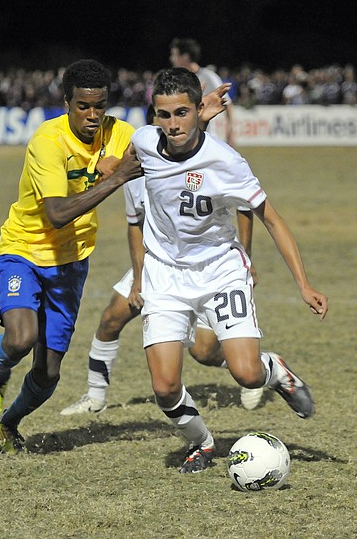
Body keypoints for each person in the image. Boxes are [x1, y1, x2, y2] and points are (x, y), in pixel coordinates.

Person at [134, 67, 328, 473]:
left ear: (197, 109)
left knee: (247, 374)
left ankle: (275, 371)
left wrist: (304, 284)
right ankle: (202, 443)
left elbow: (272, 220)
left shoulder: (226, 162)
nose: (172, 124)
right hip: (165, 275)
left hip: (221, 270)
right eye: (164, 115)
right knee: (165, 387)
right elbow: (121, 166)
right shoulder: (144, 143)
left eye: (182, 113)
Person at [60, 86, 266, 416]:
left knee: (203, 350)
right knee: (112, 317)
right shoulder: (135, 171)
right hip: (159, 261)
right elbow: (135, 225)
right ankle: (95, 397)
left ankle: (262, 368)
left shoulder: (204, 159)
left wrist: (246, 256)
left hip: (207, 262)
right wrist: (139, 279)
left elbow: (242, 206)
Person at [0, 59, 142, 453]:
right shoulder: (47, 142)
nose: (92, 115)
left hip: (71, 261)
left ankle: (9, 421)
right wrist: (116, 177)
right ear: (67, 102)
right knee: (20, 338)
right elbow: (57, 213)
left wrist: (199, 117)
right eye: (83, 106)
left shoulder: (120, 133)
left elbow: (167, 144)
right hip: (24, 250)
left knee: (48, 374)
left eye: (99, 106)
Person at [169, 37, 235, 146]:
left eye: (174, 55)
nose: (171, 59)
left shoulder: (207, 76)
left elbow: (227, 103)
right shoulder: (177, 79)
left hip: (206, 138)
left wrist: (231, 130)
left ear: (185, 57)